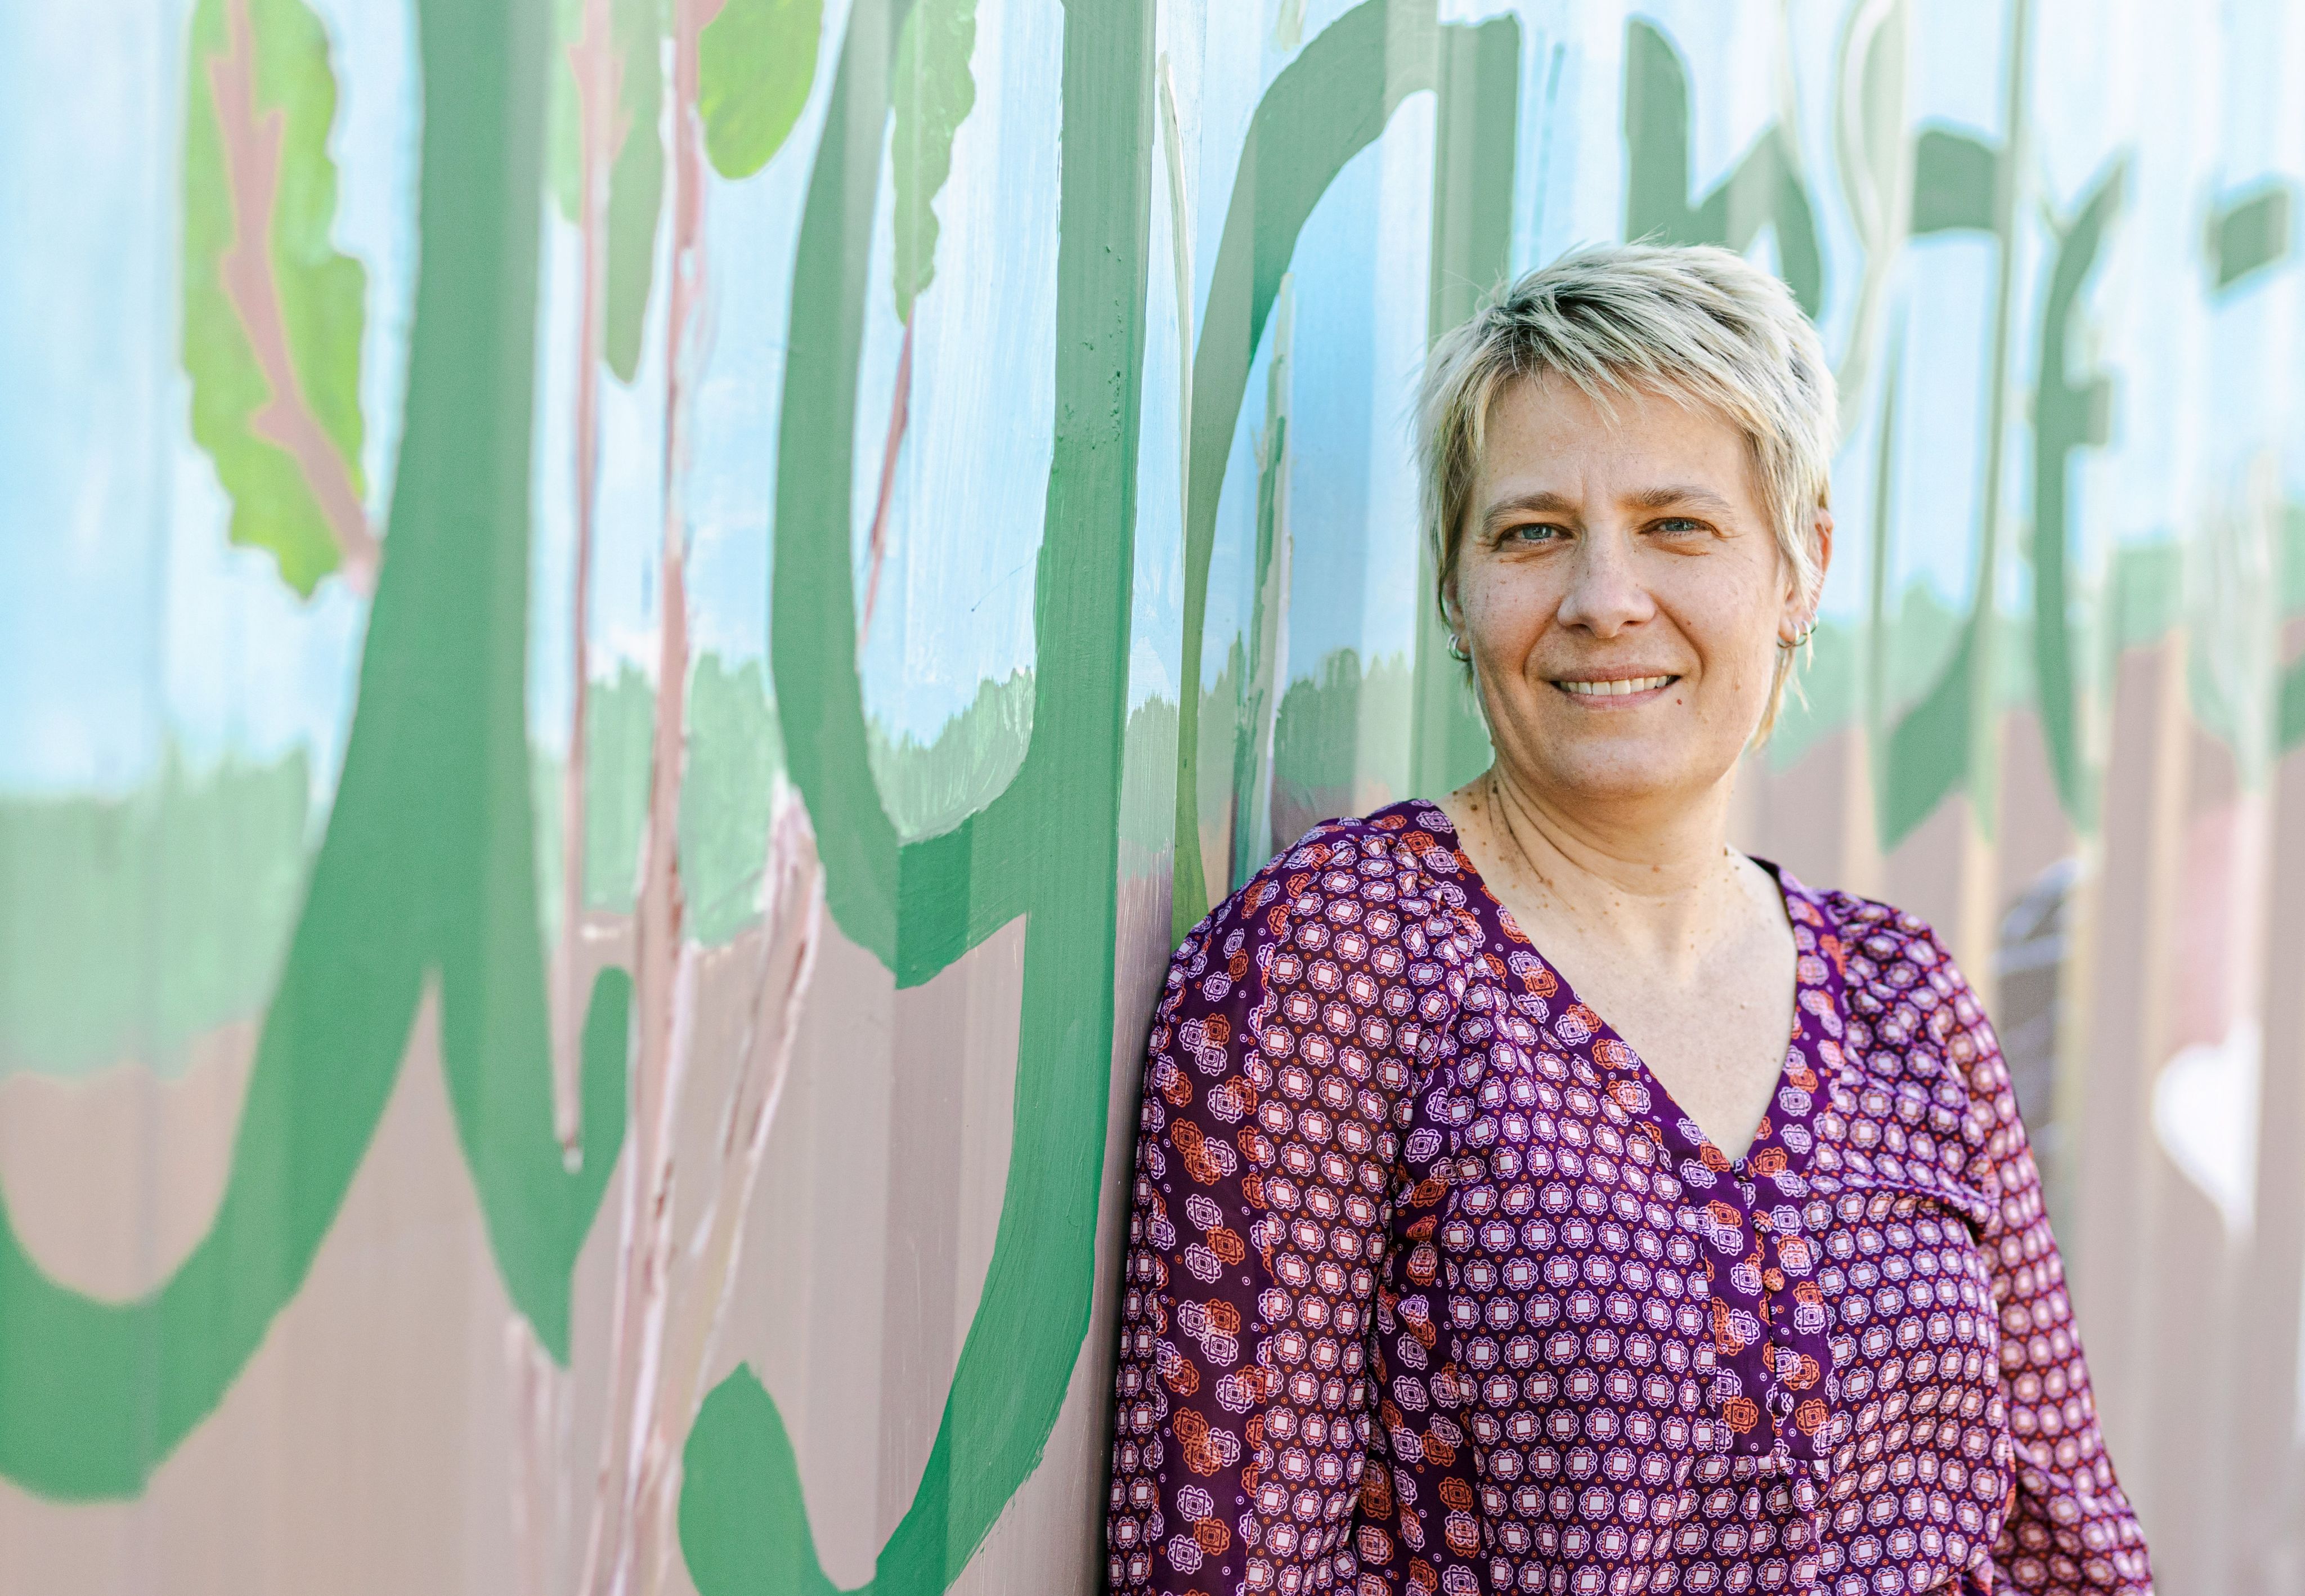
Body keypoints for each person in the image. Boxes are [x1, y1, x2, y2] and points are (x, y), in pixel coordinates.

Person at [1102, 244, 2151, 1595]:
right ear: (1457, 589)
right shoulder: (1339, 961)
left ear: (1799, 568)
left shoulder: (1903, 997)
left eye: (1677, 525)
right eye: (1532, 531)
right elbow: (1218, 1567)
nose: (1603, 598)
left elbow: (2068, 1544)